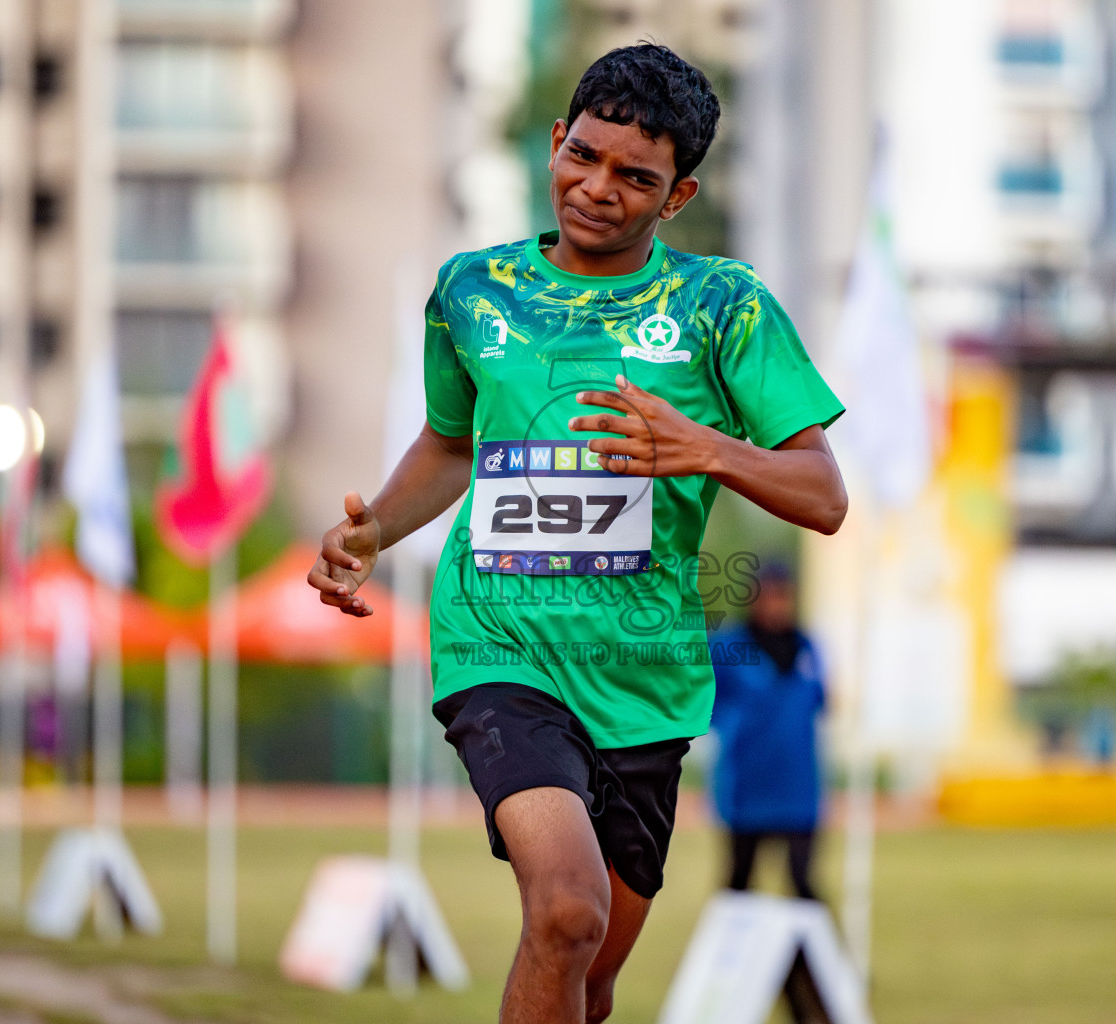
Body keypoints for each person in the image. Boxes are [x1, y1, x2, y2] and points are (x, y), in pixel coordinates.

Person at [308, 43, 847, 1024]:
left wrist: (707, 448)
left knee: (590, 979)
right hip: (498, 644)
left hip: (645, 675)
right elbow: (449, 442)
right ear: (556, 141)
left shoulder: (722, 308)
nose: (597, 188)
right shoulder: (473, 292)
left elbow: (824, 494)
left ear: (677, 195)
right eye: (583, 157)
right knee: (564, 911)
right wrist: (375, 530)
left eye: (634, 176)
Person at [710, 562, 826, 901]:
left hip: (798, 787)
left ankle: (807, 956)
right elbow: (706, 704)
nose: (775, 604)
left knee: (803, 886)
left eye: (782, 595)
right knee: (740, 883)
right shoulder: (728, 647)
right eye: (768, 595)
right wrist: (739, 724)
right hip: (748, 786)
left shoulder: (807, 648)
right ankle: (733, 954)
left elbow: (821, 701)